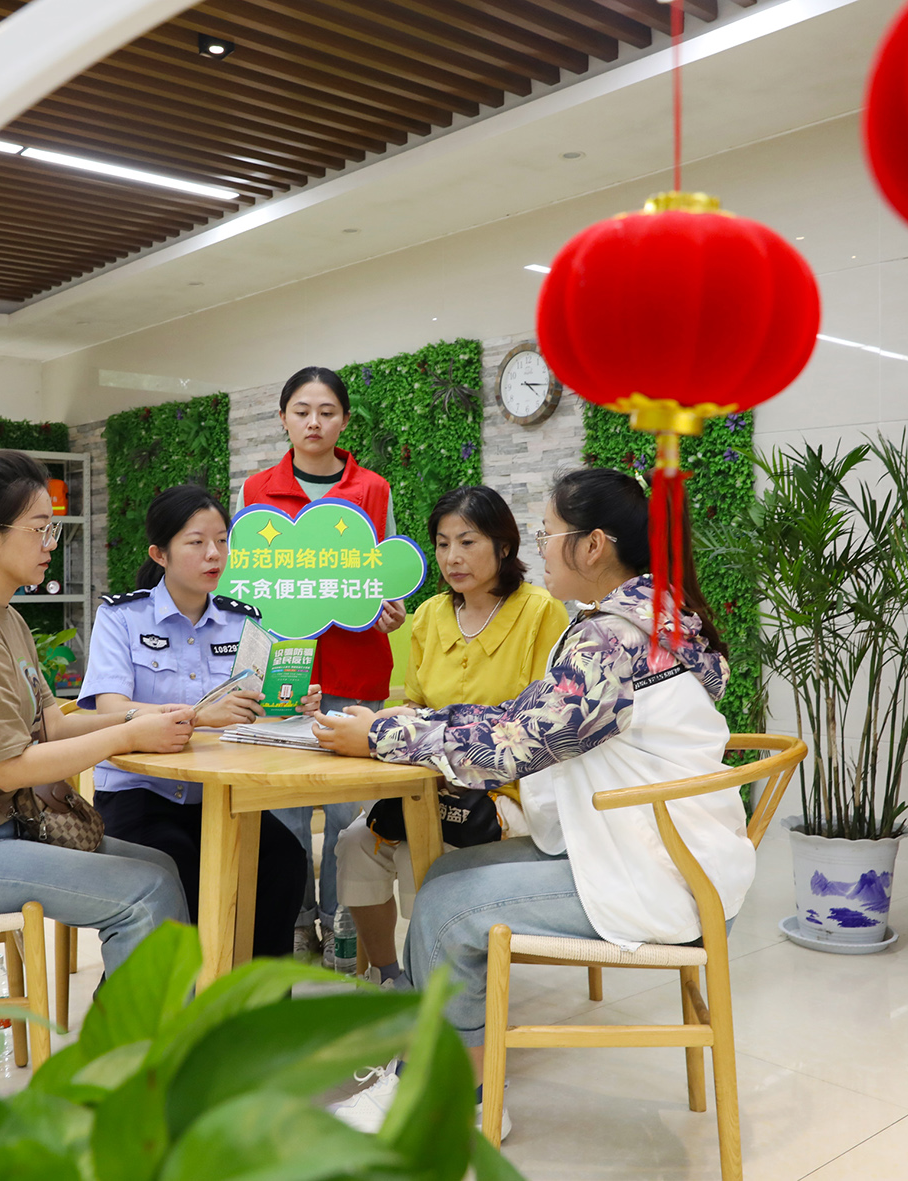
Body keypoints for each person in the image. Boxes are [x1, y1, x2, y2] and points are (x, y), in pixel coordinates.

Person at [319, 468, 746, 1138]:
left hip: (654, 874)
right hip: (670, 854)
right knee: (446, 875)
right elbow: (522, 715)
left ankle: (439, 1095)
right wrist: (402, 726)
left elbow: (518, 745)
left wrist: (381, 734)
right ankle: (462, 1085)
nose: (540, 546)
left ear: (593, 545)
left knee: (444, 908)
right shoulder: (655, 615)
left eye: (548, 533)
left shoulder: (610, 637)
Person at [0, 447, 193, 976]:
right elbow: (9, 768)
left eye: (53, 529)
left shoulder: (4, 617)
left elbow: (51, 725)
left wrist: (139, 718)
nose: (51, 543)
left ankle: (154, 1020)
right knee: (146, 891)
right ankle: (136, 1031)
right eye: (40, 529)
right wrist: (127, 738)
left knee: (160, 865)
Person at [331, 486, 570, 986]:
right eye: (442, 544)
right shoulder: (430, 615)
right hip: (427, 785)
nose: (452, 557)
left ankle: (439, 989)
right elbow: (416, 706)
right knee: (355, 844)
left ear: (503, 545)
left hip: (506, 790)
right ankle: (390, 975)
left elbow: (536, 723)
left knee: (421, 851)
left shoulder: (541, 612)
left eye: (467, 541)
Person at [81, 485, 319, 957]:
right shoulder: (121, 617)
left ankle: (255, 992)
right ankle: (160, 991)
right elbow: (107, 709)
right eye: (196, 542)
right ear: (160, 554)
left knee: (284, 859)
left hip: (221, 795)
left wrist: (292, 702)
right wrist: (198, 716)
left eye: (222, 541)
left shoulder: (243, 621)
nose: (214, 554)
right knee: (178, 862)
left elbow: (258, 708)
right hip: (139, 793)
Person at [240, 365, 406, 962]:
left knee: (346, 815)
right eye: (302, 411)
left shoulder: (374, 490)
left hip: (356, 670)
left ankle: (342, 924)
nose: (314, 422)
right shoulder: (255, 491)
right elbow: (246, 578)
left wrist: (391, 610)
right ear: (283, 418)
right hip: (285, 671)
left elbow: (387, 576)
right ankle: (294, 920)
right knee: (283, 810)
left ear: (344, 420)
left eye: (327, 411)